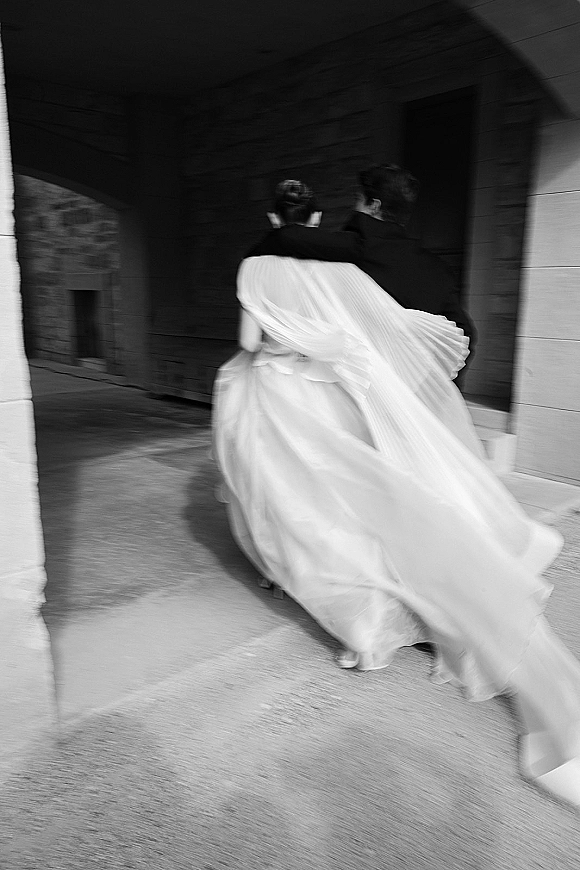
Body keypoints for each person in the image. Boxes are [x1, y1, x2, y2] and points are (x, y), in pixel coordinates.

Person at [212, 179, 580, 809]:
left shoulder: (257, 265)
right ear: (318, 218)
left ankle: (358, 631)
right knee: (347, 506)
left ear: (276, 216)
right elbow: (360, 333)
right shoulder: (337, 266)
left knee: (292, 509)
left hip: (273, 395)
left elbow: (251, 345)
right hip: (325, 391)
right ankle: (376, 628)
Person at [247, 164, 476, 354]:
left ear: (374, 206)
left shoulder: (359, 246)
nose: (354, 206)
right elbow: (466, 334)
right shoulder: (439, 270)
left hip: (363, 389)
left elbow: (288, 236)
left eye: (358, 200)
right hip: (412, 394)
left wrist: (251, 263)